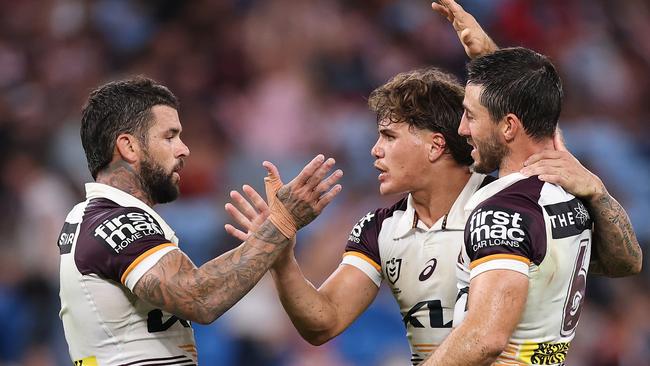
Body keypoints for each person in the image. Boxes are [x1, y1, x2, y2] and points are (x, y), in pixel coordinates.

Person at [224, 2, 641, 365]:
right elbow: (323, 322)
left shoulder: (500, 205)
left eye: (389, 136)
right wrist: (281, 256)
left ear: (435, 145)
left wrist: (490, 59)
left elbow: (524, 130)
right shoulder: (379, 229)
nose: (374, 151)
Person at [57, 77, 343, 365]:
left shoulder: (100, 219)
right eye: (169, 137)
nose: (184, 149)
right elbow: (201, 297)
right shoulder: (113, 222)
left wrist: (268, 238)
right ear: (128, 147)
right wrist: (280, 225)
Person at [420, 45, 641, 364]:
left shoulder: (502, 212)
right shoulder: (570, 189)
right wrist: (598, 191)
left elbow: (485, 338)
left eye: (470, 116)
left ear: (509, 126)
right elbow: (628, 263)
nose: (462, 129)